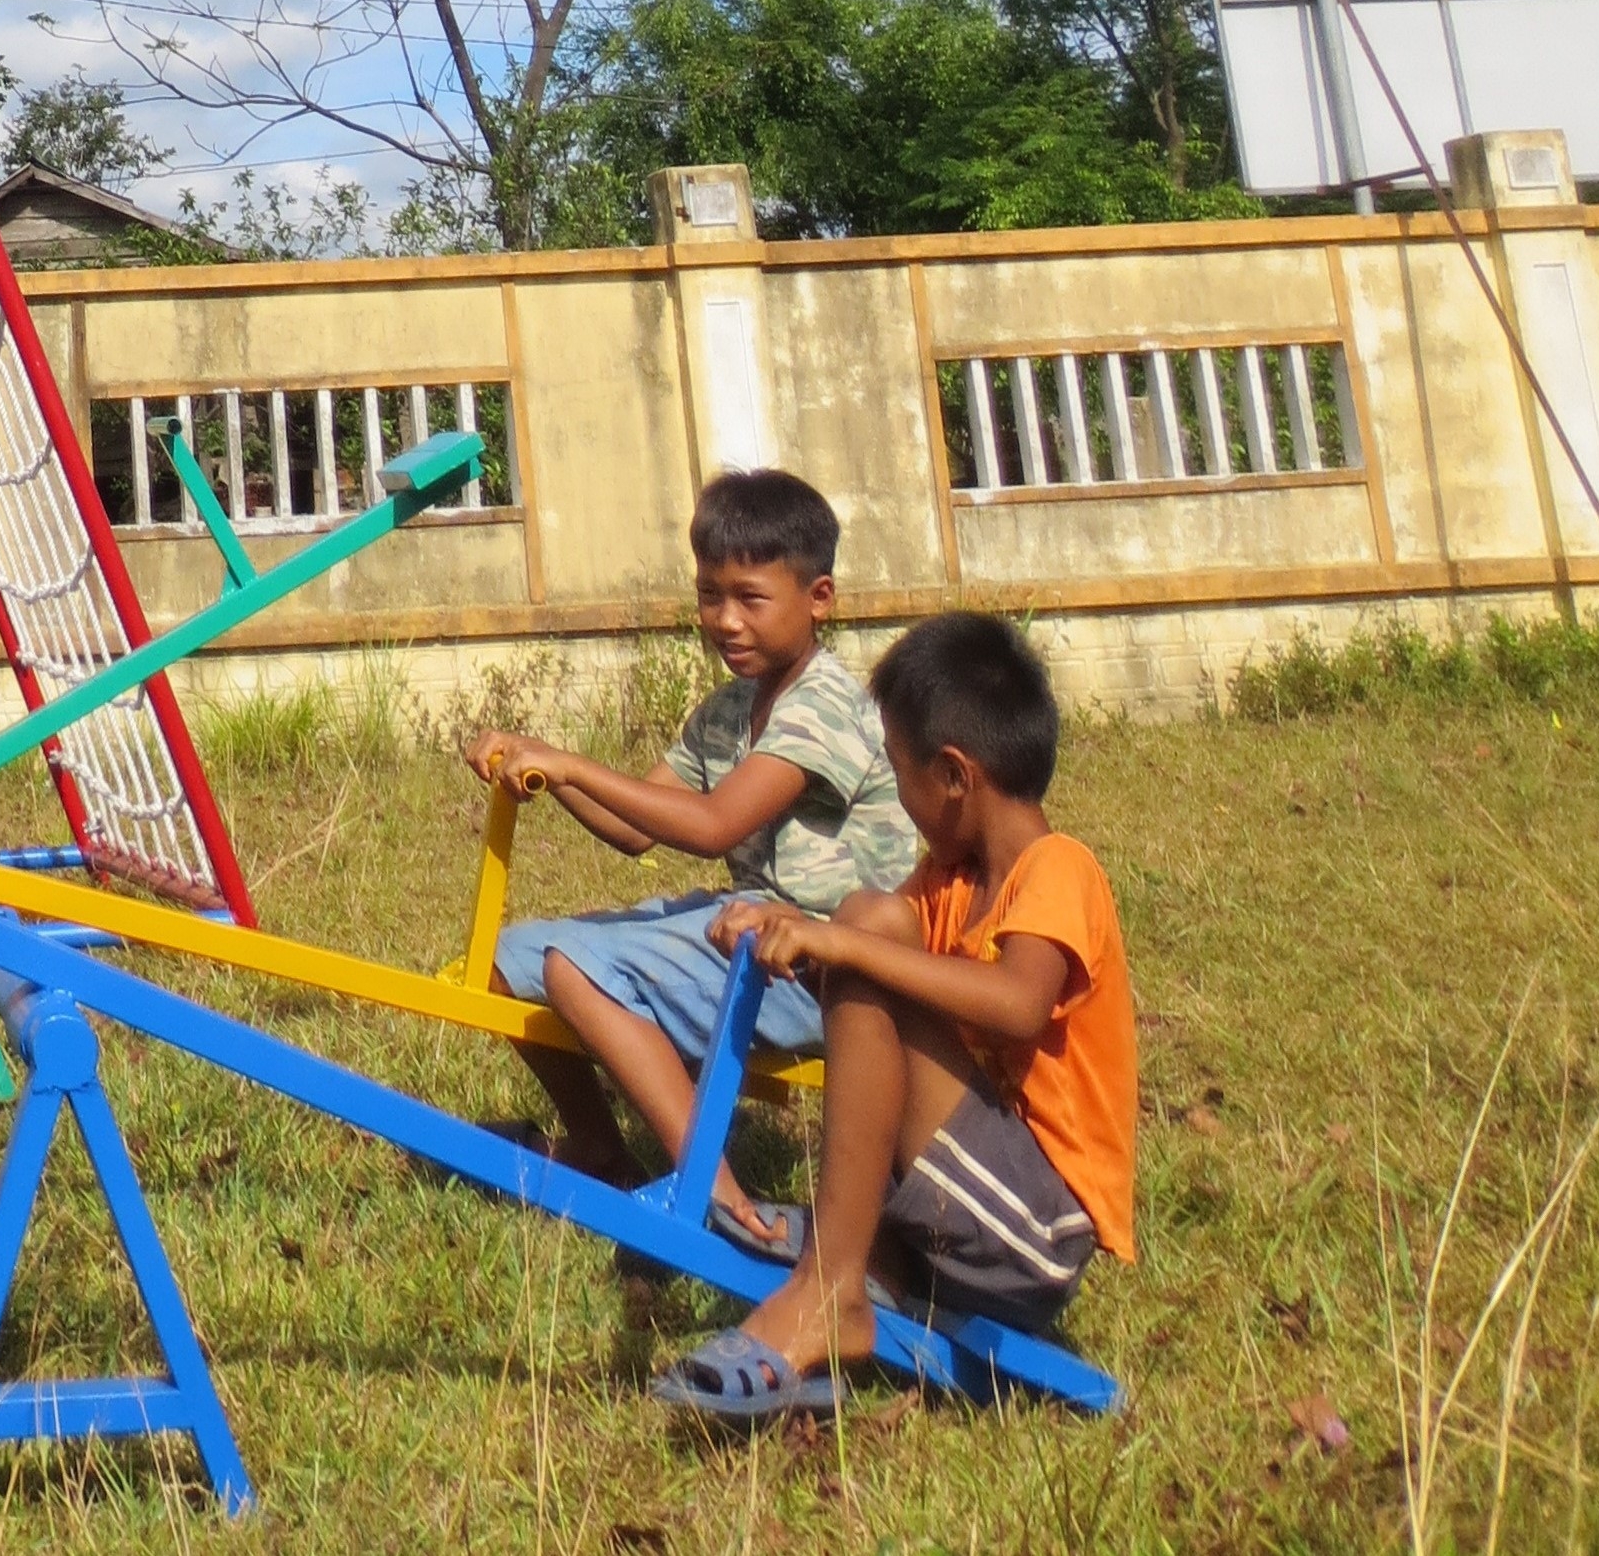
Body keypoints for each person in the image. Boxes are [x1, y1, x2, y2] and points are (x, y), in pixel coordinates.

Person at [657, 611, 1138, 1419]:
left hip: (1035, 1232)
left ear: (953, 775)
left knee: (865, 938)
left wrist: (839, 946)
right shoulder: (944, 882)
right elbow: (864, 956)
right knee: (868, 920)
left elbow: (1019, 1005)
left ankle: (831, 1286)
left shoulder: (1059, 868)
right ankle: (854, 1260)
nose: (895, 791)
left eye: (897, 768)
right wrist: (778, 925)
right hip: (964, 1201)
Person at [463, 468, 918, 1242]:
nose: (726, 620)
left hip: (824, 963)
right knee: (515, 958)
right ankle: (602, 1148)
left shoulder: (826, 703)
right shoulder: (729, 709)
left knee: (576, 967)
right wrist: (541, 768)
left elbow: (710, 825)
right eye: (710, 595)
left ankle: (719, 1195)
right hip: (749, 925)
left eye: (749, 597)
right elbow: (636, 826)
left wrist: (570, 762)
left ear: (818, 599)